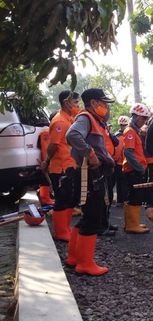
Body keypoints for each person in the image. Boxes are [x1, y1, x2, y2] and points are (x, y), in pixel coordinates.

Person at [65, 88, 115, 276]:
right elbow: (72, 135)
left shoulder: (94, 120)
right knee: (92, 217)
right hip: (87, 173)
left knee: (87, 216)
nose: (105, 107)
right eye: (103, 103)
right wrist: (90, 153)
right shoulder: (85, 118)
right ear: (94, 103)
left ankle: (74, 257)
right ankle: (85, 263)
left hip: (89, 173)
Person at [40, 91, 81, 241]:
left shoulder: (69, 119)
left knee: (69, 198)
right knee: (62, 199)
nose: (77, 105)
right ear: (66, 102)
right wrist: (47, 161)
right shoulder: (59, 122)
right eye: (75, 102)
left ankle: (65, 228)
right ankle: (60, 232)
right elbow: (53, 145)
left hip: (69, 165)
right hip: (60, 167)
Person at [122, 104, 152, 234]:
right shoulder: (130, 131)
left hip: (135, 169)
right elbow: (129, 153)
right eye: (143, 119)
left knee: (136, 196)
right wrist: (139, 167)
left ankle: (133, 223)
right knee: (134, 196)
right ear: (137, 117)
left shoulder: (134, 132)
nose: (144, 122)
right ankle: (131, 225)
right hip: (133, 170)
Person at [114, 115, 130, 205]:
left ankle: (120, 200)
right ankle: (123, 200)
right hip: (124, 163)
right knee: (123, 183)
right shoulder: (124, 136)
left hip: (118, 163)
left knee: (119, 183)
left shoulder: (116, 136)